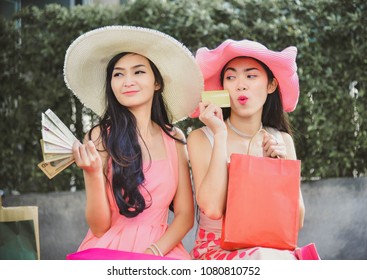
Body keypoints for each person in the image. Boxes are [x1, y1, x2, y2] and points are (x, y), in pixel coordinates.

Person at [63, 26, 203, 259]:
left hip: (162, 251)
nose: (127, 81)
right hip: (110, 247)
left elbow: (185, 216)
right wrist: (92, 172)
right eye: (118, 74)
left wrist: (153, 252)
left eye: (138, 72)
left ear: (157, 82)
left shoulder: (175, 139)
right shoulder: (100, 137)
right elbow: (99, 227)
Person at [188, 39, 305, 260]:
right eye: (230, 77)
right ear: (222, 89)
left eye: (251, 76)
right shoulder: (202, 138)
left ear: (271, 85)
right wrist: (220, 134)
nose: (240, 85)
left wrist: (280, 167)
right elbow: (212, 208)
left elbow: (296, 222)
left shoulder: (283, 140)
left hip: (272, 249)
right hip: (217, 251)